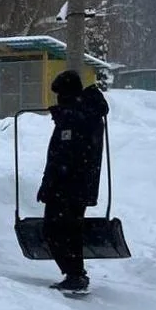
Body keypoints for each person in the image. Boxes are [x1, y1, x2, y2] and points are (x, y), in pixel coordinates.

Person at [38, 70, 109, 293]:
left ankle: (75, 274)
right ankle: (75, 273)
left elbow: (66, 156)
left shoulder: (79, 117)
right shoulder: (85, 114)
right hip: (74, 186)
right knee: (68, 230)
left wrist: (51, 184)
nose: (58, 99)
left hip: (68, 186)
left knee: (57, 230)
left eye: (60, 94)